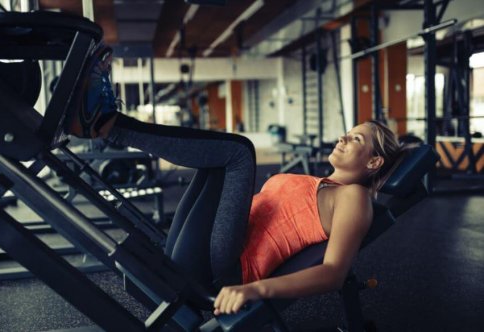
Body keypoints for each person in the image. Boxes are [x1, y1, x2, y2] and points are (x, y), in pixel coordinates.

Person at [67, 44, 403, 316]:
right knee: (216, 161)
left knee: (239, 151)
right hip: (207, 253)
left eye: (356, 140)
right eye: (347, 133)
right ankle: (106, 125)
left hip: (225, 270)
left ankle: (109, 125)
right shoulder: (323, 184)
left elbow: (333, 273)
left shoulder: (354, 198)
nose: (343, 139)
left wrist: (254, 289)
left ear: (374, 161)